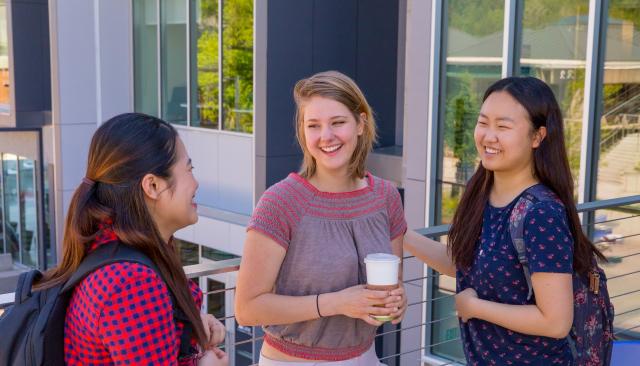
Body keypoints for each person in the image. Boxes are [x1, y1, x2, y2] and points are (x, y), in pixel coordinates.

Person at [403, 77, 606, 365]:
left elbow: (556, 322)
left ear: (538, 137)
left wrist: (474, 307)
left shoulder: (541, 214)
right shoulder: (483, 193)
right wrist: (402, 235)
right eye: (483, 122)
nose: (488, 136)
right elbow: (466, 264)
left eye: (503, 126)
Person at [235, 71, 407, 365]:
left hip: (365, 357)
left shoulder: (386, 197)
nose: (326, 136)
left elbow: (394, 285)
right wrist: (337, 303)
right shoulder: (280, 202)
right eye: (313, 125)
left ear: (361, 124)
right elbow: (247, 309)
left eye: (338, 122)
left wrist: (397, 302)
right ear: (303, 132)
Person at [33, 113, 228, 365]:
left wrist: (190, 326)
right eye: (189, 169)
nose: (196, 182)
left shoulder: (116, 251)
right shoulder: (131, 281)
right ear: (153, 186)